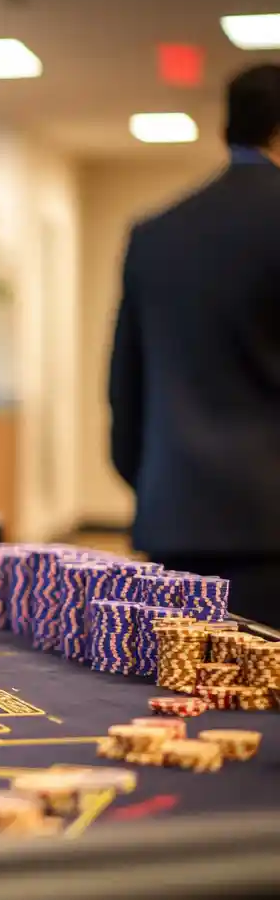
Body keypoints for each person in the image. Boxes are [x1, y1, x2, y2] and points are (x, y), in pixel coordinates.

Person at [108, 63, 280, 628]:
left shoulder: (156, 233)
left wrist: (159, 482)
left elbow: (125, 389)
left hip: (176, 517)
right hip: (272, 529)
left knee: (184, 704)